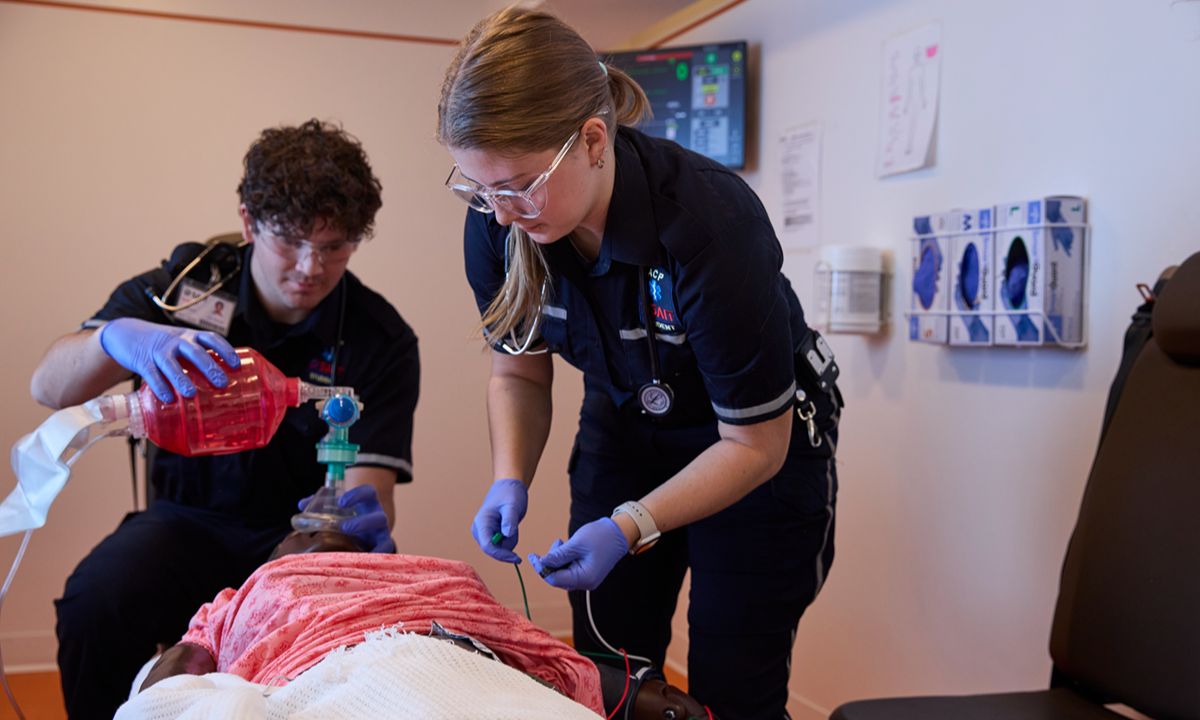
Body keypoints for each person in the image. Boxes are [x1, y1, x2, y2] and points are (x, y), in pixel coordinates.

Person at [440, 8, 842, 718]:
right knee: (609, 671)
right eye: (481, 189)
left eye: (518, 186)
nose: (499, 214)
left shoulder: (710, 222)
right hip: (625, 425)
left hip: (754, 454)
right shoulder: (500, 223)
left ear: (592, 140)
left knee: (731, 685)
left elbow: (755, 444)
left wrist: (629, 525)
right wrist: (510, 476)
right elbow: (519, 370)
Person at [29, 119, 420, 719]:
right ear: (248, 222)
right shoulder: (182, 292)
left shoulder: (379, 337)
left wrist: (355, 520)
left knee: (315, 640)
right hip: (181, 524)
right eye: (290, 239)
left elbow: (371, 488)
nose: (311, 267)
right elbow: (47, 386)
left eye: (335, 246)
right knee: (94, 603)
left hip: (294, 536)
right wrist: (116, 339)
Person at [121, 530, 708, 720]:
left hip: (461, 664)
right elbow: (169, 688)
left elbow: (526, 647)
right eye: (302, 538)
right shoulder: (249, 590)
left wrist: (634, 695)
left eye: (336, 540)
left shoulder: (435, 575)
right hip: (330, 679)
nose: (317, 538)